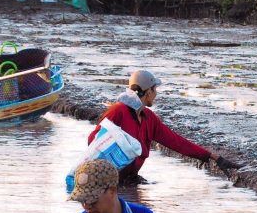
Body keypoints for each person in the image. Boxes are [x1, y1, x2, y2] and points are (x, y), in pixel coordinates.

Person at [88, 70, 239, 181]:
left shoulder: (149, 118)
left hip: (128, 179)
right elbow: (93, 140)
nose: (156, 94)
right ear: (148, 92)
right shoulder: (118, 112)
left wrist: (211, 156)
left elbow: (175, 141)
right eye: (155, 89)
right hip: (109, 182)